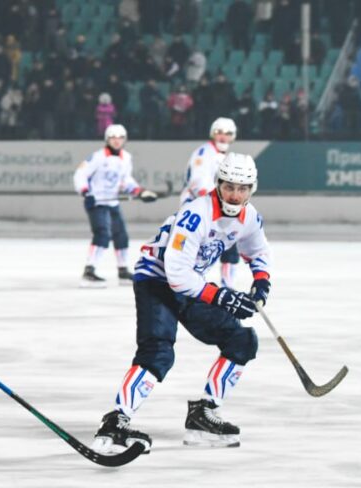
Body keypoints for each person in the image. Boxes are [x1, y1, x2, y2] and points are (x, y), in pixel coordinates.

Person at [92, 153, 271, 455]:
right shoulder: (197, 213)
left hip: (191, 284)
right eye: (229, 187)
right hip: (156, 280)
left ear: (251, 189)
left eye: (242, 189)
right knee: (158, 351)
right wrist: (223, 297)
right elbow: (176, 274)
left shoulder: (249, 217)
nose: (234, 195)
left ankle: (204, 414)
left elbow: (258, 251)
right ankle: (116, 421)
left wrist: (262, 282)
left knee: (241, 340)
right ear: (218, 184)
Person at [73, 124, 158, 287]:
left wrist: (140, 192)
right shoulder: (98, 157)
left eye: (120, 138)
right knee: (102, 234)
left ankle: (123, 270)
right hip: (97, 201)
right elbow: (80, 174)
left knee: (121, 235)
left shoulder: (126, 158)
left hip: (112, 202)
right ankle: (89, 271)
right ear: (107, 139)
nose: (117, 141)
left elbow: (126, 181)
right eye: (113, 138)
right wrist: (85, 192)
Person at [180, 117, 241, 288]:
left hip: (215, 206)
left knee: (230, 241)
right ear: (213, 134)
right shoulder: (204, 153)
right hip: (197, 206)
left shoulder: (225, 157)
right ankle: (186, 283)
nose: (223, 136)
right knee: (193, 248)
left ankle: (227, 285)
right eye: (219, 132)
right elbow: (197, 183)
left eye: (227, 133)